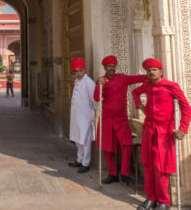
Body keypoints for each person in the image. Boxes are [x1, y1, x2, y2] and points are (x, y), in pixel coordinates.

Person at [132, 58, 191, 210]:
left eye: (154, 70)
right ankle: (151, 199)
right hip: (148, 130)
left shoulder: (171, 86)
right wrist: (141, 107)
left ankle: (164, 201)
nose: (151, 72)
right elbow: (134, 92)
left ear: (160, 71)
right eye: (148, 70)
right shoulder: (145, 86)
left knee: (160, 168)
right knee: (148, 165)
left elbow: (186, 108)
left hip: (164, 133)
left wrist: (183, 129)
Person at [93, 55, 147, 184]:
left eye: (113, 66)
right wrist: (98, 85)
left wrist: (153, 74)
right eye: (109, 66)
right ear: (105, 67)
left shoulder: (123, 78)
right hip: (106, 119)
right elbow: (96, 98)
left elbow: (139, 78)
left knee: (126, 145)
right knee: (107, 148)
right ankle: (112, 173)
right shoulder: (102, 81)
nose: (111, 68)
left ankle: (125, 172)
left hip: (121, 119)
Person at [68, 57, 96, 173]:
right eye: (76, 71)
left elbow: (94, 100)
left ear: (84, 70)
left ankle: (85, 163)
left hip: (85, 116)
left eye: (80, 70)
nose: (78, 73)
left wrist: (93, 116)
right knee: (77, 139)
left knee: (85, 140)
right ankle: (79, 160)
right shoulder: (76, 81)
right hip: (76, 116)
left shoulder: (89, 82)